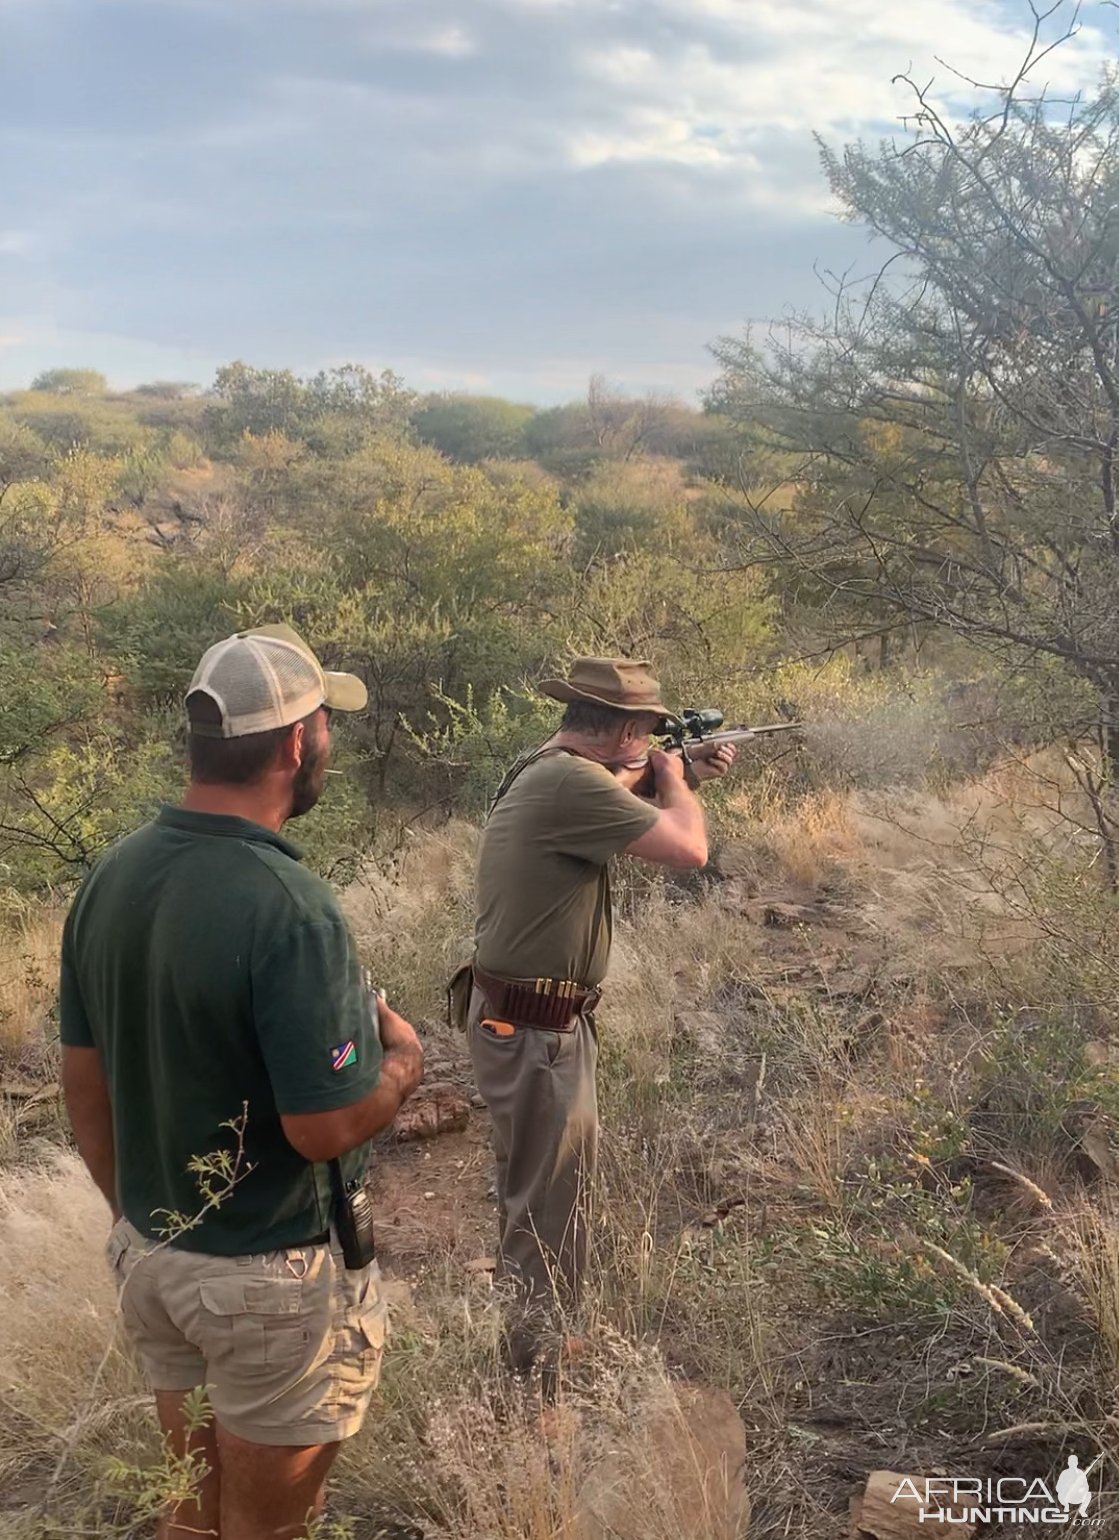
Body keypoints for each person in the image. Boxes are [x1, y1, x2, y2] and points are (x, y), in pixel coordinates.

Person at [60, 624, 424, 1540]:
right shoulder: (290, 905)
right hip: (268, 1275)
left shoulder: (113, 874)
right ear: (298, 743)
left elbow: (83, 1084)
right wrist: (403, 1070)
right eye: (324, 731)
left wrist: (137, 1219)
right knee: (267, 1530)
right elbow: (323, 1128)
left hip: (153, 1254)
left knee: (191, 1511)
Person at [464, 657, 734, 1377]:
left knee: (547, 1199)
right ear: (621, 728)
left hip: (535, 1024)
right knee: (544, 1212)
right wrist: (676, 783)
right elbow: (688, 849)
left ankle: (539, 1343)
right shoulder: (567, 781)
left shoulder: (556, 771)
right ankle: (533, 1378)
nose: (651, 741)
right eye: (646, 730)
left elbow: (621, 794)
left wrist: (671, 773)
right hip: (536, 1028)